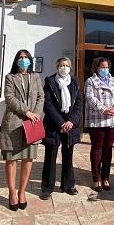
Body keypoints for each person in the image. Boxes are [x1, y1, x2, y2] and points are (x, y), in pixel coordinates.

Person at [1, 49, 44, 210]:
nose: (24, 60)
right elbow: (9, 98)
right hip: (14, 122)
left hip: (32, 123)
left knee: (28, 159)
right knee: (11, 160)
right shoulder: (10, 77)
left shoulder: (35, 77)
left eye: (26, 57)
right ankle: (12, 192)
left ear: (31, 61)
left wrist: (36, 114)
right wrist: (27, 112)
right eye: (21, 57)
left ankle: (22, 192)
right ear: (16, 60)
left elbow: (41, 96)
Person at [40, 58, 83, 200]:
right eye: (61, 65)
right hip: (54, 124)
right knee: (50, 156)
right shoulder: (50, 82)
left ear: (70, 67)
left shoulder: (75, 82)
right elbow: (48, 105)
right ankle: (47, 188)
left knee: (68, 155)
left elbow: (79, 105)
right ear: (57, 67)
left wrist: (71, 121)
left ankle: (68, 185)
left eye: (66, 65)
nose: (64, 68)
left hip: (70, 125)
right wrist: (61, 122)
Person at [85, 57, 114, 192]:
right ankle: (96, 178)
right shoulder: (90, 81)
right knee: (97, 147)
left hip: (113, 120)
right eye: (102, 67)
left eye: (107, 67)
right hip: (97, 120)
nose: (105, 69)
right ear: (96, 68)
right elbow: (90, 98)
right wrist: (104, 109)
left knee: (108, 148)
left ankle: (105, 177)